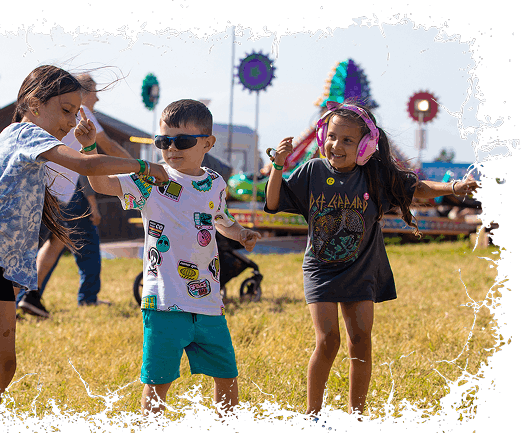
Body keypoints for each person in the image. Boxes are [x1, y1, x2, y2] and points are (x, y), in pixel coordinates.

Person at [0, 64, 169, 426]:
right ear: (34, 103)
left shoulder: (15, 149)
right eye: (66, 110)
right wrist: (143, 166)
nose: (72, 121)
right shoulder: (24, 134)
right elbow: (84, 166)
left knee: (3, 366)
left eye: (76, 112)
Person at [264, 99, 480, 418]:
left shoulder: (376, 175)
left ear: (365, 146)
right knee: (328, 341)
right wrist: (278, 166)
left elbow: (415, 187)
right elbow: (273, 200)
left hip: (362, 270)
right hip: (320, 270)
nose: (336, 145)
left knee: (360, 342)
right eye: (333, 136)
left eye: (348, 140)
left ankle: (356, 414)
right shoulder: (312, 170)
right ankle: (312, 414)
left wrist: (453, 187)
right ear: (324, 137)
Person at [86, 99, 261, 421]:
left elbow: (221, 218)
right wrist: (87, 148)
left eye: (182, 141)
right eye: (163, 142)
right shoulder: (152, 180)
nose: (171, 149)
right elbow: (100, 183)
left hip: (208, 301)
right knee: (158, 381)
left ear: (208, 143)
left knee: (227, 374)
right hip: (163, 302)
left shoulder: (215, 183)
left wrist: (240, 233)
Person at [17, 72, 134, 317]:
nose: (98, 99)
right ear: (85, 92)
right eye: (95, 93)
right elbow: (108, 147)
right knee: (32, 250)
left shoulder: (68, 113)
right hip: (52, 192)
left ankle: (30, 296)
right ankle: (13, 300)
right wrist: (140, 167)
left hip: (59, 192)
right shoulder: (82, 114)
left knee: (53, 246)